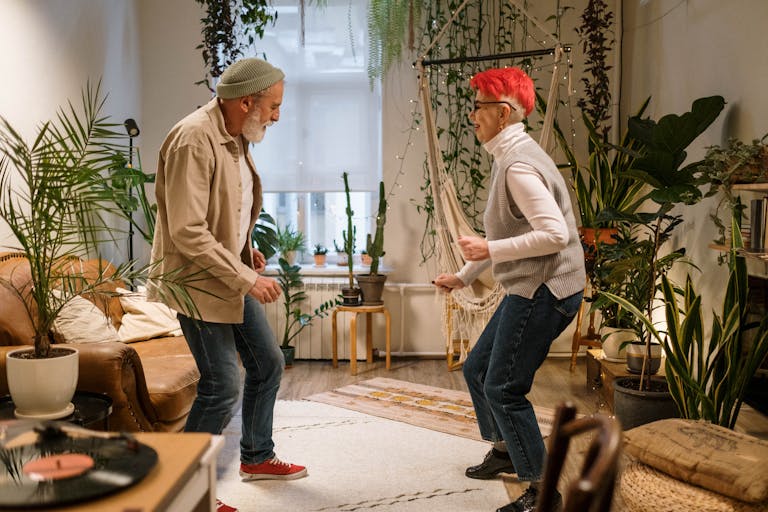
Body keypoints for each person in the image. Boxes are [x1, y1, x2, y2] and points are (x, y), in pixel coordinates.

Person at [148, 57, 307, 508]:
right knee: (221, 386)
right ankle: (185, 490)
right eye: (273, 106)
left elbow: (226, 208)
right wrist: (245, 277)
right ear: (246, 101)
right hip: (194, 282)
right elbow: (186, 229)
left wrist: (245, 247)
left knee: (268, 364)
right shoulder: (193, 139)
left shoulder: (236, 135)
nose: (278, 116)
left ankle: (256, 456)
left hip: (226, 273)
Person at [432, 67, 585, 512]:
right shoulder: (510, 155)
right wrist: (463, 276)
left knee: (503, 386)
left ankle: (543, 492)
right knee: (477, 369)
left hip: (546, 290)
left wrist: (488, 247)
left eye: (477, 107)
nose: (472, 115)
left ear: (502, 113)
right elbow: (503, 237)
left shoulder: (518, 165)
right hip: (531, 285)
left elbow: (554, 235)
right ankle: (503, 450)